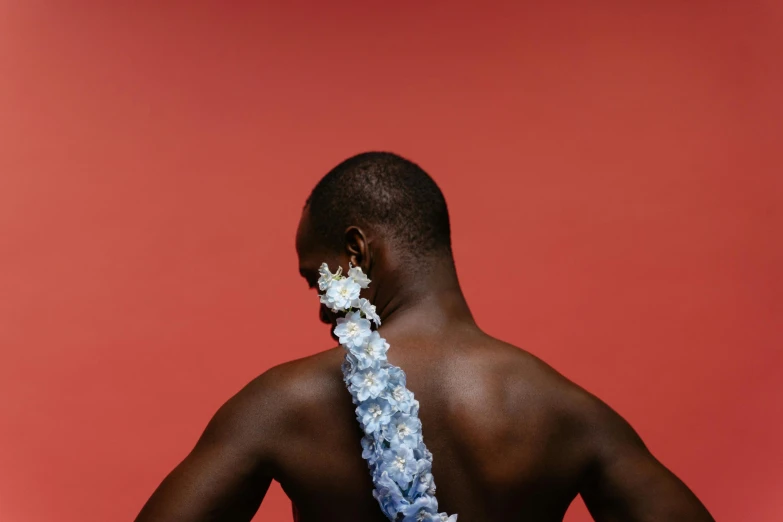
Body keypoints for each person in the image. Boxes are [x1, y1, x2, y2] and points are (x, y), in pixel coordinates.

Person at [135, 152, 715, 522]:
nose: (318, 311)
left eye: (316, 279)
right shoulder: (569, 413)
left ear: (357, 251)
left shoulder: (283, 405)